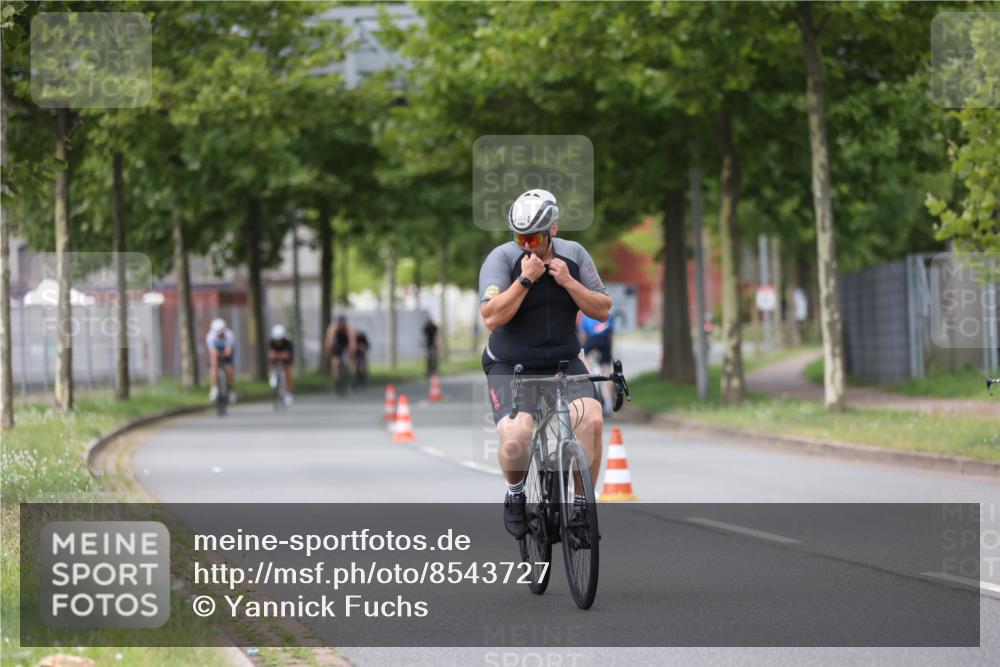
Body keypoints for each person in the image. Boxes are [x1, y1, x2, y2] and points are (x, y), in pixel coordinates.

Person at [479, 188, 612, 539]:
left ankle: (582, 507)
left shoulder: (574, 255)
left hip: (564, 362)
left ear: (553, 229)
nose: (527, 245)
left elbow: (602, 309)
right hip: (512, 365)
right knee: (515, 439)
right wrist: (525, 280)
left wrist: (568, 282)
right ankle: (515, 494)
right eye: (519, 237)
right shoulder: (502, 259)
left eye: (534, 238)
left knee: (592, 420)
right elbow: (491, 318)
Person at [579, 312, 615, 415]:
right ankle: (608, 402)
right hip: (605, 341)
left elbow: (583, 335)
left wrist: (583, 347)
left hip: (591, 340)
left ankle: (588, 372)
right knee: (607, 371)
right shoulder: (608, 315)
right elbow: (611, 334)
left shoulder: (587, 315)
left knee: (584, 359)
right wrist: (609, 350)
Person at [206, 318, 236, 403]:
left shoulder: (230, 335)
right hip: (216, 351)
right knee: (214, 365)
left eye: (221, 334)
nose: (219, 336)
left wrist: (222, 354)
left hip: (226, 352)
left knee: (229, 368)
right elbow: (212, 352)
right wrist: (216, 358)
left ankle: (230, 389)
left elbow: (228, 352)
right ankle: (214, 388)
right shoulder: (210, 336)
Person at [323, 315, 356, 385]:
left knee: (351, 357)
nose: (341, 326)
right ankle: (336, 378)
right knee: (334, 361)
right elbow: (329, 341)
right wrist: (328, 350)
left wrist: (351, 352)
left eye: (342, 325)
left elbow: (352, 342)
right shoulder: (332, 328)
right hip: (338, 344)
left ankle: (351, 373)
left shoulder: (349, 329)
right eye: (339, 324)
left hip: (346, 342)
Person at [267, 324, 295, 406]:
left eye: (280, 340)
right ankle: (273, 374)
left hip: (287, 359)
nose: (278, 342)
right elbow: (270, 354)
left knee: (288, 372)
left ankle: (289, 393)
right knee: (272, 362)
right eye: (276, 340)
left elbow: (288, 355)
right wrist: (276, 355)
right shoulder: (271, 342)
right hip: (277, 357)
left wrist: (279, 355)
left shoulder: (288, 341)